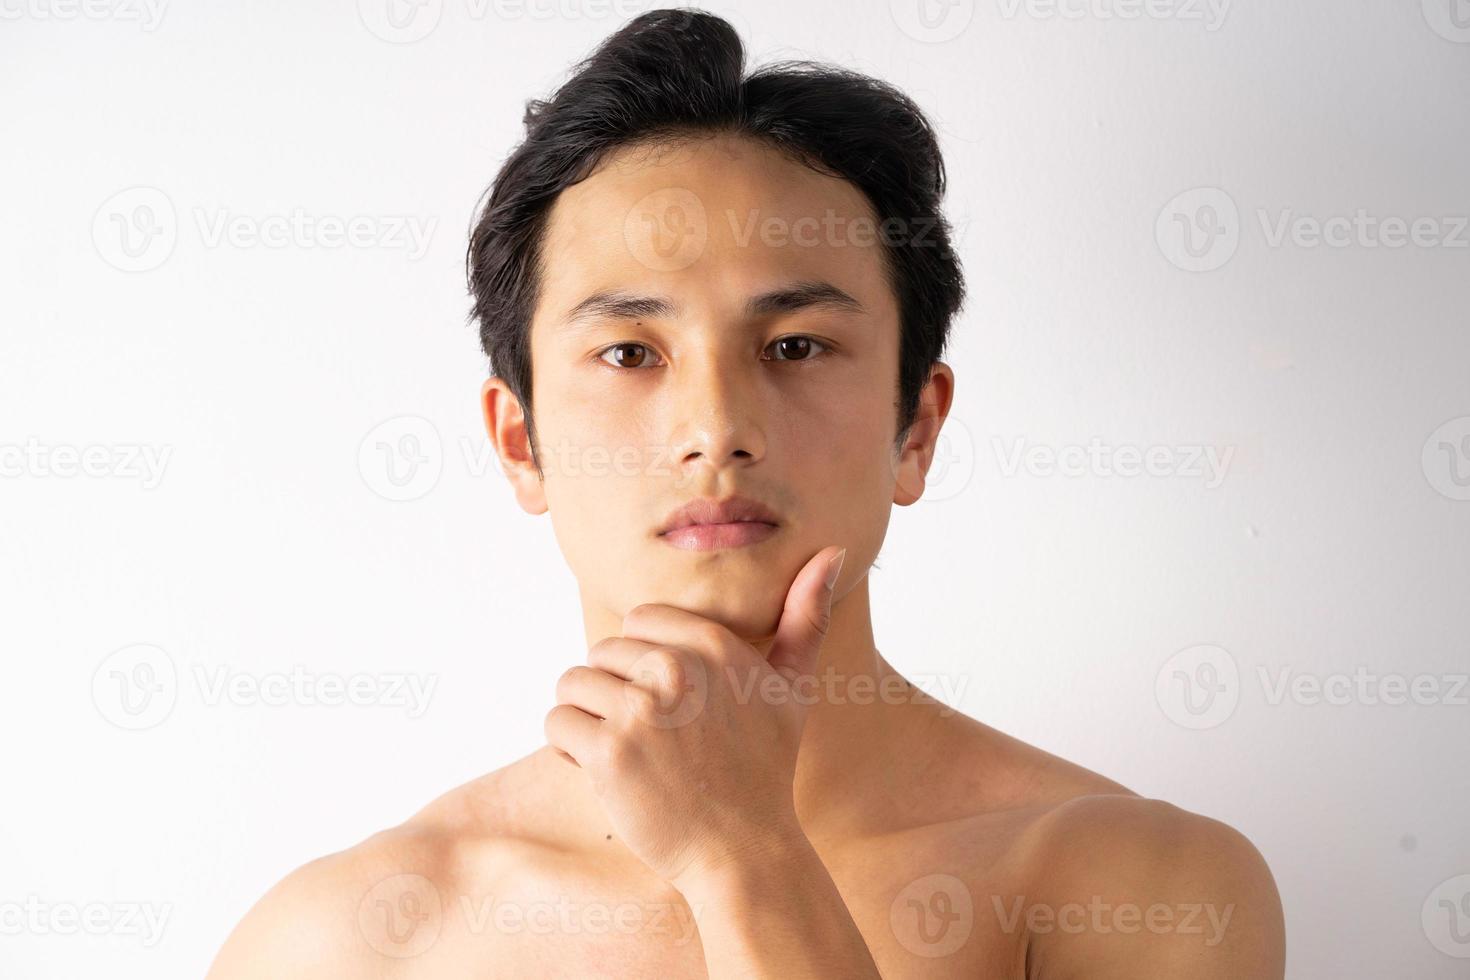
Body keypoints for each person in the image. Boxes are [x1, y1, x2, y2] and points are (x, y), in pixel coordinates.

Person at [207, 9, 1285, 977]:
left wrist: (743, 856)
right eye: (631, 353)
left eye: (797, 343)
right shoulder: (348, 940)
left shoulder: (1135, 884)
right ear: (519, 441)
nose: (718, 426)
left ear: (916, 425)